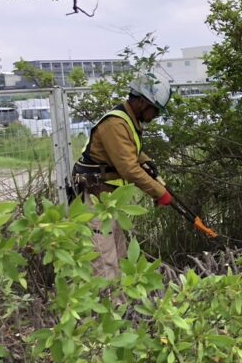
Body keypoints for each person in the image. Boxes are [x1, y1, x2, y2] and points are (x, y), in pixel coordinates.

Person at [71, 73, 174, 279]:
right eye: (155, 110)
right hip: (94, 196)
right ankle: (108, 306)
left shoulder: (128, 120)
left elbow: (130, 150)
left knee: (120, 254)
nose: (155, 116)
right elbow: (129, 169)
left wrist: (146, 162)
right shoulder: (115, 124)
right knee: (103, 258)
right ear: (143, 102)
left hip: (108, 199)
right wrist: (160, 193)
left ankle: (123, 305)